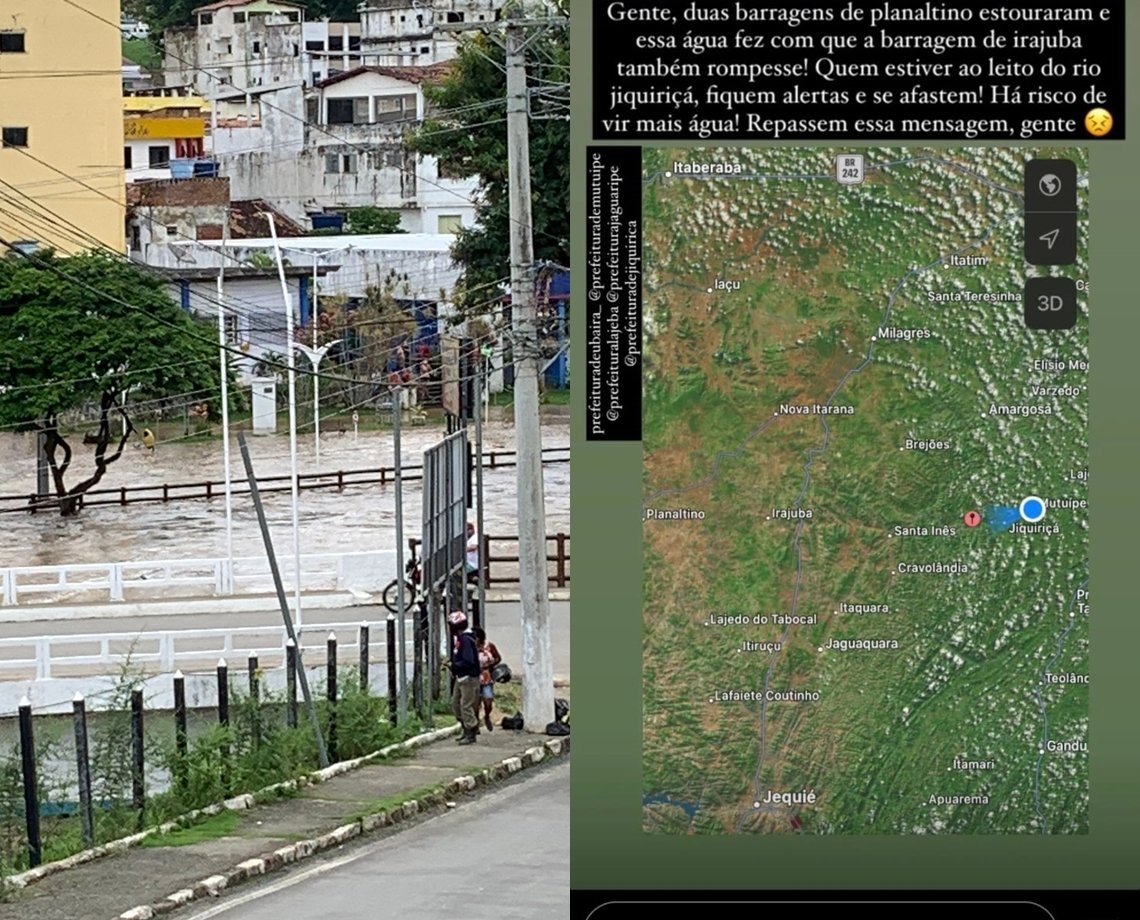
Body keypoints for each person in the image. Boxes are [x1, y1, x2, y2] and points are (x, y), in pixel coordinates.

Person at [446, 610, 480, 744]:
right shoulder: (460, 639)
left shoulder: (466, 640)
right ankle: (466, 728)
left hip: (468, 678)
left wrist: (454, 665)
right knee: (456, 705)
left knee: (466, 705)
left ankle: (471, 731)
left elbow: (468, 660)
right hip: (461, 678)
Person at [472, 627, 501, 732]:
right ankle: (475, 724)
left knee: (488, 701)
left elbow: (498, 658)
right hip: (474, 677)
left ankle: (487, 715)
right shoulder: (471, 647)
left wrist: (489, 664)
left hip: (486, 677)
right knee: (475, 703)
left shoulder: (489, 646)